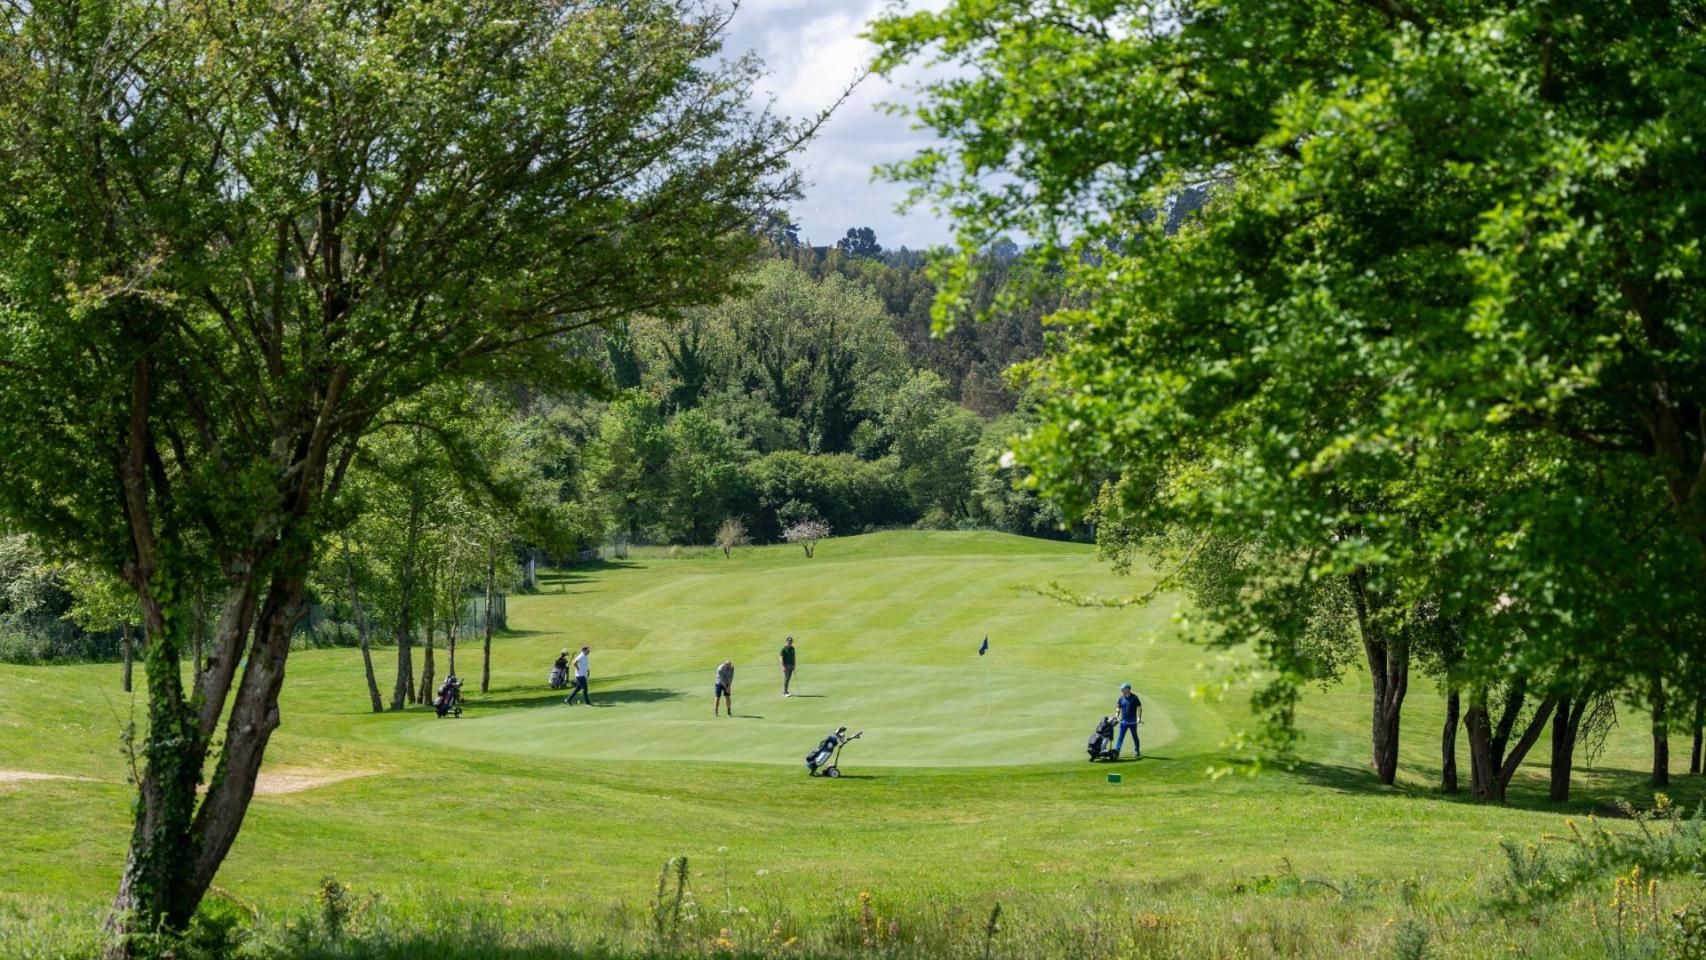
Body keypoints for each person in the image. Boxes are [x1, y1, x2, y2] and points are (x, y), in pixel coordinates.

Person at [1114, 682, 1143, 759]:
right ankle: (1117, 751)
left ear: (1127, 689)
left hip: (1132, 721)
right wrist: (1116, 717)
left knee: (1134, 736)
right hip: (1123, 721)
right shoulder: (1121, 698)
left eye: (1122, 689)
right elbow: (1118, 707)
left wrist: (1139, 718)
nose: (1121, 690)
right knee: (1120, 737)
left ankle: (1137, 750)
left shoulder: (1135, 698)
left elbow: (1139, 708)